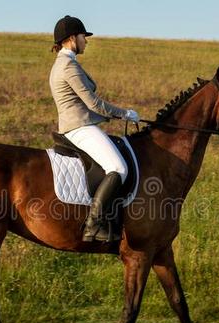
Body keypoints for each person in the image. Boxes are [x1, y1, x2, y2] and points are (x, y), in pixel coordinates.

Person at [49, 15, 140, 243]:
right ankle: (93, 224)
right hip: (78, 127)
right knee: (118, 168)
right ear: (71, 39)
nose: (86, 41)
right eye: (83, 37)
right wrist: (125, 113)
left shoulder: (64, 63)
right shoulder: (68, 66)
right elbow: (93, 103)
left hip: (79, 125)